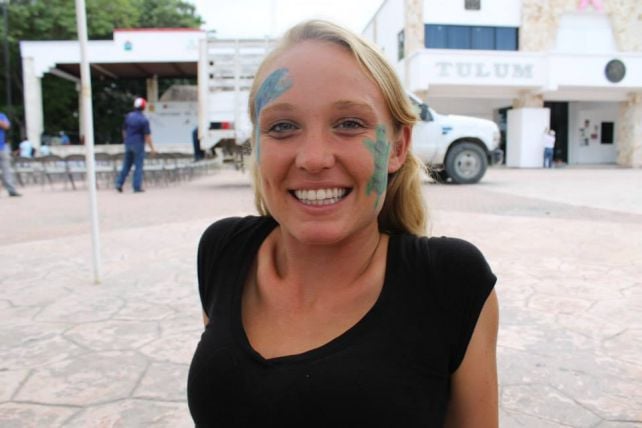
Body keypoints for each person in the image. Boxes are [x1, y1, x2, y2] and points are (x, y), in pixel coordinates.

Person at [188, 20, 499, 426]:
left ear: (398, 146)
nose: (313, 158)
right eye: (283, 127)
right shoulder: (223, 251)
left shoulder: (450, 283)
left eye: (349, 124)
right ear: (258, 147)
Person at [115, 97, 155, 192]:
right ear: (143, 107)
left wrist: (126, 140)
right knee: (138, 165)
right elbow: (147, 135)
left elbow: (124, 130)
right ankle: (136, 187)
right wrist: (152, 148)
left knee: (126, 165)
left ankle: (119, 183)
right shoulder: (144, 120)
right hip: (138, 143)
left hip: (128, 143)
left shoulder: (128, 116)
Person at [0, 111, 21, 197]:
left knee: (6, 169)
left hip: (2, 146)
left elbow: (7, 126)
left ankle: (11, 190)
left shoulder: (1, 115)